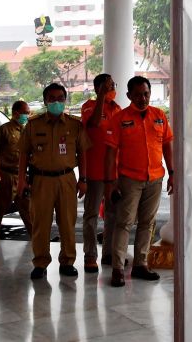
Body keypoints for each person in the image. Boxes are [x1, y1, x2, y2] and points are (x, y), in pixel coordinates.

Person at [104, 76, 174, 287]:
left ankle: (140, 265)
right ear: (129, 96)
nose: (142, 98)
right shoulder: (120, 118)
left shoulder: (159, 116)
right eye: (137, 95)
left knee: (147, 223)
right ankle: (117, 268)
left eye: (146, 94)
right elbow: (110, 152)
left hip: (154, 178)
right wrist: (111, 182)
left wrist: (172, 172)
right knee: (124, 223)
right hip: (129, 180)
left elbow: (167, 145)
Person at [17, 83, 90, 279]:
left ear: (65, 100)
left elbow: (82, 153)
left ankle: (67, 261)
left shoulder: (75, 125)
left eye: (60, 98)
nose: (56, 102)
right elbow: (24, 154)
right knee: (41, 223)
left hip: (66, 179)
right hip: (40, 180)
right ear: (45, 101)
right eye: (52, 98)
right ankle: (40, 262)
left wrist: (83, 179)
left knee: (67, 222)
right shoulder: (33, 125)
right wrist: (22, 181)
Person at [80, 73, 122, 273]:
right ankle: (90, 256)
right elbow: (94, 124)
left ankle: (109, 254)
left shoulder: (117, 109)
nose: (112, 88)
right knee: (91, 216)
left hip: (113, 172)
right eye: (108, 86)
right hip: (94, 172)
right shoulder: (89, 106)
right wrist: (101, 98)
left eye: (113, 85)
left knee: (113, 215)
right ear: (98, 88)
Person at [0, 100, 32, 239]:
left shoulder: (27, 131)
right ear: (15, 113)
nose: (27, 115)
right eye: (24, 113)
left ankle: (36, 239)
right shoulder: (4, 130)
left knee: (28, 209)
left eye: (28, 113)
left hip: (22, 177)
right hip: (5, 176)